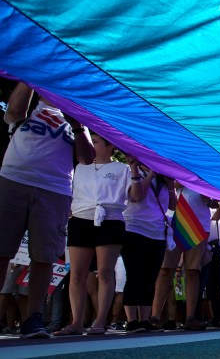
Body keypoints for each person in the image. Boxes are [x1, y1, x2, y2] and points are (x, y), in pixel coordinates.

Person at [0, 83, 95, 338]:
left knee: (44, 257)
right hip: (13, 181)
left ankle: (33, 319)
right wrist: (30, 77)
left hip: (55, 190)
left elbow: (87, 158)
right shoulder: (29, 109)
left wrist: (77, 124)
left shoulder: (76, 122)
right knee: (1, 250)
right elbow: (13, 112)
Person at [56, 134, 143, 336]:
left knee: (104, 272)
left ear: (109, 145)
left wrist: (134, 169)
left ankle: (100, 321)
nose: (90, 145)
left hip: (110, 221)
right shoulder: (79, 167)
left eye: (94, 142)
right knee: (77, 274)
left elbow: (136, 197)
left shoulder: (122, 169)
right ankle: (76, 322)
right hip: (80, 220)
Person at [121, 162, 175, 333]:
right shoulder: (132, 172)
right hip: (134, 229)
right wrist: (150, 174)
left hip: (157, 233)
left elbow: (171, 206)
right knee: (134, 275)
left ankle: (145, 319)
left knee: (150, 277)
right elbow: (136, 196)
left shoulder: (163, 181)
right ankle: (131, 320)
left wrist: (171, 185)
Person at [151, 184, 213, 331]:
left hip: (198, 224)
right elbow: (170, 183)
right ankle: (154, 317)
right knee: (165, 270)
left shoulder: (204, 171)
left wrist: (207, 194)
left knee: (192, 270)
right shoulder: (176, 165)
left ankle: (190, 317)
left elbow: (211, 198)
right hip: (174, 220)